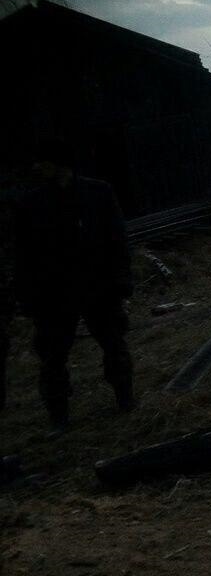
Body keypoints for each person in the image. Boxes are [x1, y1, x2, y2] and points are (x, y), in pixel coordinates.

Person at [14, 139, 133, 429]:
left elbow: (117, 240)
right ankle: (59, 416)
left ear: (59, 164)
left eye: (42, 162)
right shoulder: (31, 204)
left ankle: (125, 398)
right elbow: (24, 255)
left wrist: (120, 280)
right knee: (52, 358)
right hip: (53, 293)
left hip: (98, 285)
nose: (36, 167)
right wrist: (29, 297)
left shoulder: (98, 193)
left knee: (114, 345)